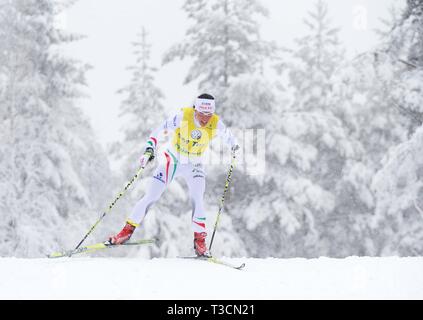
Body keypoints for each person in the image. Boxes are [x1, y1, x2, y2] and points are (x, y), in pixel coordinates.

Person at [108, 93, 239, 256]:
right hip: (173, 159)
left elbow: (230, 138)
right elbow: (157, 132)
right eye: (202, 114)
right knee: (150, 196)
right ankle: (125, 233)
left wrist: (234, 147)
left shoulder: (215, 122)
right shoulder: (183, 117)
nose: (205, 119)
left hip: (194, 163)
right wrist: (149, 150)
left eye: (209, 114)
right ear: (195, 109)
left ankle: (200, 242)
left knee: (197, 199)